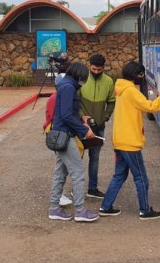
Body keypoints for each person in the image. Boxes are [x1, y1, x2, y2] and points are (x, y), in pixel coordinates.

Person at [99, 61, 160, 220]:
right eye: (141, 74)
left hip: (120, 140)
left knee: (119, 176)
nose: (143, 77)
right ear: (135, 75)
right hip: (130, 143)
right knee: (141, 178)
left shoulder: (120, 88)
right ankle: (145, 210)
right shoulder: (131, 92)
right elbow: (151, 107)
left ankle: (105, 207)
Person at [48, 62, 99, 222]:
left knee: (60, 173)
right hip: (66, 135)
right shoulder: (69, 87)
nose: (83, 81)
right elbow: (66, 115)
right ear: (79, 76)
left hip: (60, 135)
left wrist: (81, 118)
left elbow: (66, 112)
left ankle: (54, 208)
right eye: (83, 78)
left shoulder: (65, 85)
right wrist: (85, 130)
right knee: (77, 173)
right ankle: (80, 211)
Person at [78, 54, 115, 199]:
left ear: (103, 68)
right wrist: (82, 116)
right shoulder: (82, 78)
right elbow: (76, 100)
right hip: (81, 126)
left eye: (99, 70)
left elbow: (112, 101)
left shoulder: (109, 82)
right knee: (77, 158)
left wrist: (105, 117)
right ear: (89, 66)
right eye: (93, 69)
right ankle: (77, 188)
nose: (96, 72)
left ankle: (92, 188)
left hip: (99, 127)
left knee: (95, 158)